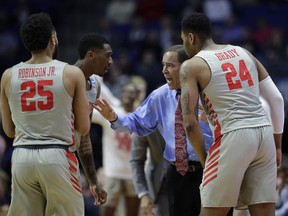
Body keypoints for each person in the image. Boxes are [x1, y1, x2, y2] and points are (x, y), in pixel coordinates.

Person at [179, 12, 285, 216]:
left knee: (211, 211)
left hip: (232, 136)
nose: (184, 46)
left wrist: (204, 160)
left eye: (183, 40)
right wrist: (277, 143)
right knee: (263, 210)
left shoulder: (191, 66)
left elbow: (190, 123)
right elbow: (276, 99)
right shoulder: (243, 52)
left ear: (190, 37)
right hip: (264, 135)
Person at [94, 44, 213, 216]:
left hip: (209, 169)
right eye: (163, 65)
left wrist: (210, 118)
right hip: (177, 173)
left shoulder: (209, 92)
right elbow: (137, 121)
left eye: (170, 66)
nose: (164, 70)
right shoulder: (160, 95)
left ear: (187, 67)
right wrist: (114, 117)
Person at [0, 12, 91, 215]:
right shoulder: (71, 73)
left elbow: (8, 130)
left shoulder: (8, 75)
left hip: (22, 157)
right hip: (57, 154)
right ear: (53, 39)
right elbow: (84, 128)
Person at [74, 33, 114, 209]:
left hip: (68, 157)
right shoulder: (63, 77)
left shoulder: (94, 85)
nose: (111, 61)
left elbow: (84, 138)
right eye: (107, 55)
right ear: (90, 55)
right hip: (51, 151)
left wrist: (93, 181)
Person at [92, 82, 140, 216]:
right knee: (107, 211)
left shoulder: (140, 117)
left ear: (137, 96)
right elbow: (89, 114)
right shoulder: (112, 113)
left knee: (133, 212)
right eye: (126, 92)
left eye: (132, 93)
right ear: (121, 94)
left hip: (133, 173)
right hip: (112, 172)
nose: (128, 95)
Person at [130, 130, 170, 216]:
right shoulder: (143, 121)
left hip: (192, 180)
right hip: (161, 184)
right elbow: (136, 160)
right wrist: (143, 193)